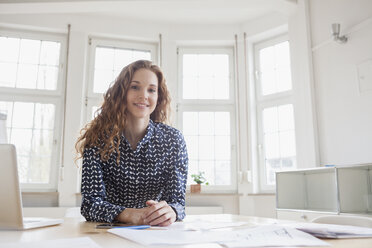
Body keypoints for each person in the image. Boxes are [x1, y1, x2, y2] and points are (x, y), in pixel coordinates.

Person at [75, 60, 188, 227]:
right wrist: (129, 214)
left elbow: (177, 202)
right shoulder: (97, 139)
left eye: (151, 90)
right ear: (122, 92)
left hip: (155, 231)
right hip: (108, 232)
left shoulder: (174, 140)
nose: (144, 96)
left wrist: (171, 211)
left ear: (159, 97)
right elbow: (90, 204)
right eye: (135, 87)